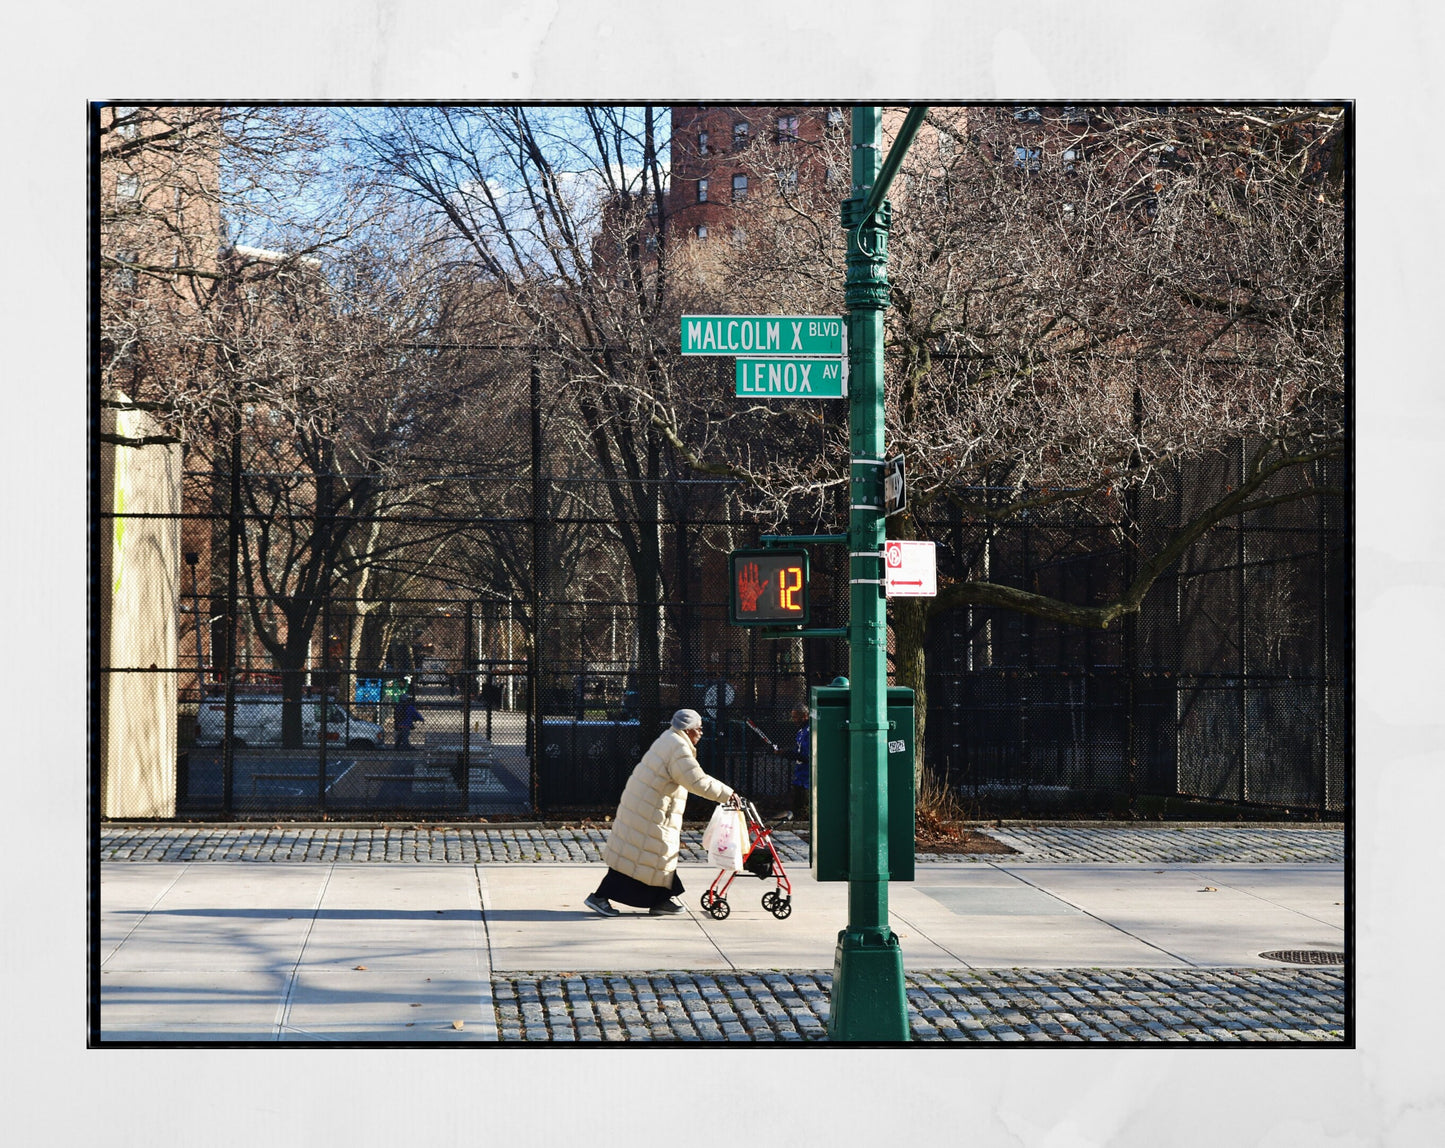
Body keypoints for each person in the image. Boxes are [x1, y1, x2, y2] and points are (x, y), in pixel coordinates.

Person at [584, 709, 736, 918]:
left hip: (647, 808)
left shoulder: (670, 738)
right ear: (689, 729)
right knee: (639, 857)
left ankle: (661, 900)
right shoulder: (678, 747)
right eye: (699, 728)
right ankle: (600, 897)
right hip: (650, 811)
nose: (701, 733)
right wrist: (728, 794)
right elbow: (696, 781)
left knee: (650, 857)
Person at [789, 705, 810, 818]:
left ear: (805, 716)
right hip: (799, 776)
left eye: (796, 717)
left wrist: (789, 754)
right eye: (793, 717)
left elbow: (807, 757)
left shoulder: (810, 731)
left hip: (807, 778)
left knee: (804, 808)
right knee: (796, 806)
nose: (794, 720)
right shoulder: (801, 732)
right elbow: (798, 752)